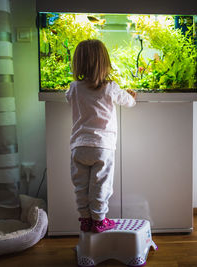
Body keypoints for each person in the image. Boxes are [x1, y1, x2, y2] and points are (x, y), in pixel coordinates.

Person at [65, 39, 136, 233]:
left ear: (78, 63)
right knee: (101, 185)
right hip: (102, 147)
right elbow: (128, 102)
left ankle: (85, 219)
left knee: (80, 186)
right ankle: (99, 220)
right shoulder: (110, 87)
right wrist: (131, 95)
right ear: (105, 63)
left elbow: (67, 97)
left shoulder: (74, 87)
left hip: (78, 147)